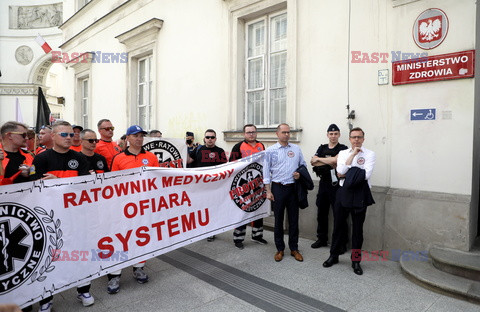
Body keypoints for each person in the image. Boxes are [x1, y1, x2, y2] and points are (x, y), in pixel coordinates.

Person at [30, 121, 94, 311]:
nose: (69, 138)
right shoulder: (41, 159)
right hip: (49, 216)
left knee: (80, 254)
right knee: (49, 258)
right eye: (64, 135)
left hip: (75, 215)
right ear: (53, 136)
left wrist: (59, 181)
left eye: (71, 135)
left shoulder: (80, 158)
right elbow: (35, 184)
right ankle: (46, 299)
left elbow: (85, 184)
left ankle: (83, 289)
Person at [108, 125, 159, 294]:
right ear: (127, 138)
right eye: (135, 135)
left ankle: (138, 267)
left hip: (144, 207)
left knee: (142, 236)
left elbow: (158, 180)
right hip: (124, 208)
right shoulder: (118, 158)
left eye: (141, 136)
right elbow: (113, 184)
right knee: (120, 239)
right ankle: (115, 274)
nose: (139, 138)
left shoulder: (151, 157)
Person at [322, 127, 376, 275]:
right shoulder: (343, 153)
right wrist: (352, 156)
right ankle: (334, 256)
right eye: (353, 137)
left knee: (358, 230)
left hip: (360, 194)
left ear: (363, 139)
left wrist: (349, 172)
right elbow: (340, 172)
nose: (356, 140)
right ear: (350, 139)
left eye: (359, 137)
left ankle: (356, 261)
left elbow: (366, 175)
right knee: (338, 226)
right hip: (342, 193)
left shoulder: (370, 154)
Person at [263, 123, 307, 262]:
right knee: (278, 220)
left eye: (288, 132)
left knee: (294, 220)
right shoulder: (270, 151)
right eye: (284, 132)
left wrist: (299, 174)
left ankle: (294, 248)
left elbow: (303, 165)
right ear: (277, 134)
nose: (286, 134)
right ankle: (280, 249)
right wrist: (268, 191)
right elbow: (266, 172)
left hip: (293, 189)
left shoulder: (296, 149)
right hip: (278, 188)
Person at [229, 124, 268, 249]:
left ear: (256, 133)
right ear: (244, 134)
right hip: (243, 184)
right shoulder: (238, 146)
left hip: (258, 183)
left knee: (258, 208)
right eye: (248, 132)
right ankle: (238, 239)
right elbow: (231, 165)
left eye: (253, 132)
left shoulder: (261, 145)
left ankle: (257, 236)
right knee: (243, 210)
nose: (251, 134)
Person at [310, 124, 348, 249]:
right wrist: (330, 160)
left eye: (335, 133)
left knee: (339, 214)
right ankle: (322, 239)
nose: (333, 136)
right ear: (327, 135)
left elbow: (335, 161)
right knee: (321, 212)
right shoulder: (322, 147)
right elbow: (312, 161)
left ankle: (341, 243)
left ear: (339, 135)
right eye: (331, 134)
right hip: (323, 183)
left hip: (337, 185)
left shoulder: (343, 148)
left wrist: (321, 160)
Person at [188, 129, 227, 241]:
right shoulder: (198, 150)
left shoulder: (220, 151)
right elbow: (189, 161)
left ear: (215, 139)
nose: (210, 139)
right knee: (200, 208)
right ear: (204, 138)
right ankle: (200, 230)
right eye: (208, 137)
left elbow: (225, 168)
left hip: (214, 186)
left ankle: (211, 231)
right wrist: (184, 147)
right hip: (200, 185)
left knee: (212, 209)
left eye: (212, 137)